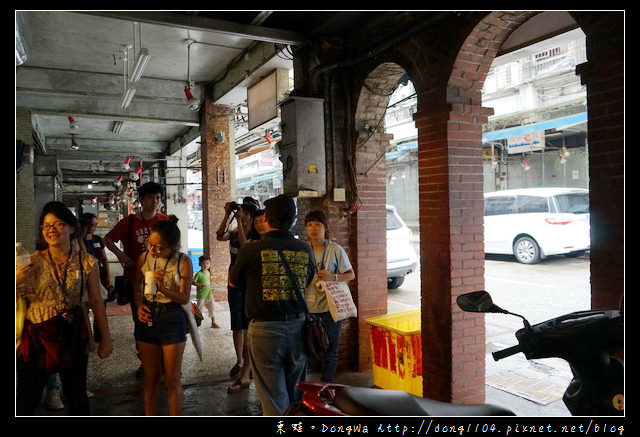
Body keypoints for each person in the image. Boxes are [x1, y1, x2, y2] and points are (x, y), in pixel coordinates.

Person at [16, 201, 113, 415]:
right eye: (46, 225)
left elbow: (97, 302)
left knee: (77, 398)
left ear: (72, 228)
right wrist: (17, 284)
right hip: (36, 336)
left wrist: (105, 337)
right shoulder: (29, 262)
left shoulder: (86, 262)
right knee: (26, 400)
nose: (51, 229)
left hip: (73, 334)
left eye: (58, 224)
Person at [229, 194, 316, 416]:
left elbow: (233, 281)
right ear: (294, 219)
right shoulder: (305, 249)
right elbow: (308, 281)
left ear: (266, 217)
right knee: (296, 396)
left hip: (265, 330)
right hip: (299, 328)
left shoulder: (252, 249)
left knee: (273, 398)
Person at [104, 181, 168, 377]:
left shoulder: (165, 220)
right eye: (151, 197)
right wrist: (121, 255)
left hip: (162, 282)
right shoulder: (130, 222)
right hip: (137, 282)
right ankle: (145, 361)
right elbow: (107, 239)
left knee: (162, 322)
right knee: (142, 322)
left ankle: (163, 362)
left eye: (158, 197)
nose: (155, 201)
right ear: (141, 200)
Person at [134, 216, 192, 416]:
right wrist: (139, 304)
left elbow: (184, 298)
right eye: (151, 243)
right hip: (147, 315)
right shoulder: (144, 258)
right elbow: (137, 285)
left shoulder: (183, 261)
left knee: (172, 379)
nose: (153, 249)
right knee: (150, 378)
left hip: (172, 317)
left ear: (174, 246)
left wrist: (164, 289)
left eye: (159, 247)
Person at [304, 210, 355, 382]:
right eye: (310, 225)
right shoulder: (303, 250)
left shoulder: (335, 250)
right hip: (307, 308)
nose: (313, 229)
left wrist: (332, 277)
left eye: (317, 224)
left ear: (325, 227)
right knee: (306, 348)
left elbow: (350, 275)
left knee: (331, 348)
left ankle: (326, 386)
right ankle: (306, 387)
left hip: (330, 308)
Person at [216, 197, 259, 378]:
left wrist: (240, 224)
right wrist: (227, 215)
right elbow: (219, 236)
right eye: (242, 214)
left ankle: (250, 362)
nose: (244, 217)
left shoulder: (257, 236)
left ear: (252, 216)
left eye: (247, 214)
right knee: (237, 324)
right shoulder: (233, 233)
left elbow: (246, 246)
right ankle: (239, 361)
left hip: (251, 284)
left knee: (250, 323)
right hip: (234, 283)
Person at [80, 213, 113, 300]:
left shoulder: (97, 239)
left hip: (99, 272)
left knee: (100, 298)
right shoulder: (78, 241)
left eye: (96, 225)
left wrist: (108, 275)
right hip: (84, 275)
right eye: (92, 225)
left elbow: (104, 258)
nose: (95, 227)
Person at [193, 255, 219, 328]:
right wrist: (200, 285)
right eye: (204, 264)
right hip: (201, 296)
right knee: (199, 310)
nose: (206, 265)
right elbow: (193, 282)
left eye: (207, 263)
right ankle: (196, 323)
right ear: (200, 264)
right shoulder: (198, 274)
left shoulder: (208, 272)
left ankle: (213, 322)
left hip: (208, 294)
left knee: (212, 308)